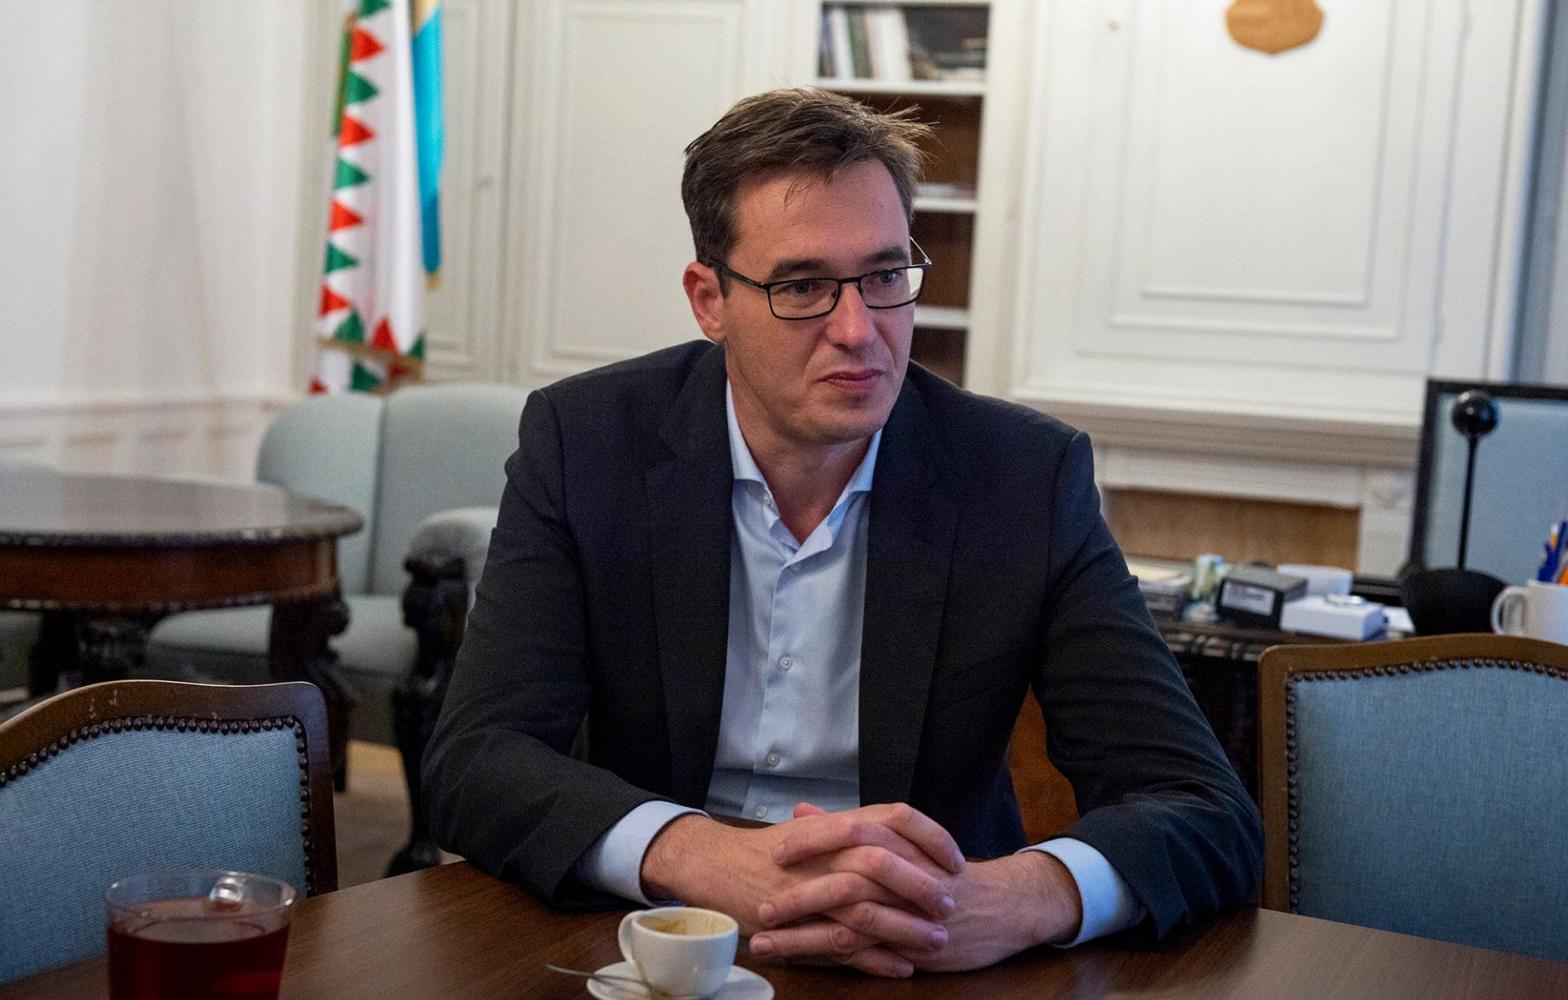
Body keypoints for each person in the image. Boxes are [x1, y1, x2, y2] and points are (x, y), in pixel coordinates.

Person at [423, 87, 1260, 977]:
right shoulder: (589, 444)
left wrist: (1020, 895)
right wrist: (693, 851)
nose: (859, 331)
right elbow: (477, 759)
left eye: (885, 277)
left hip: (921, 954)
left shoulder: (1022, 478)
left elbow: (1203, 807)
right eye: (803, 287)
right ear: (709, 301)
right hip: (657, 946)